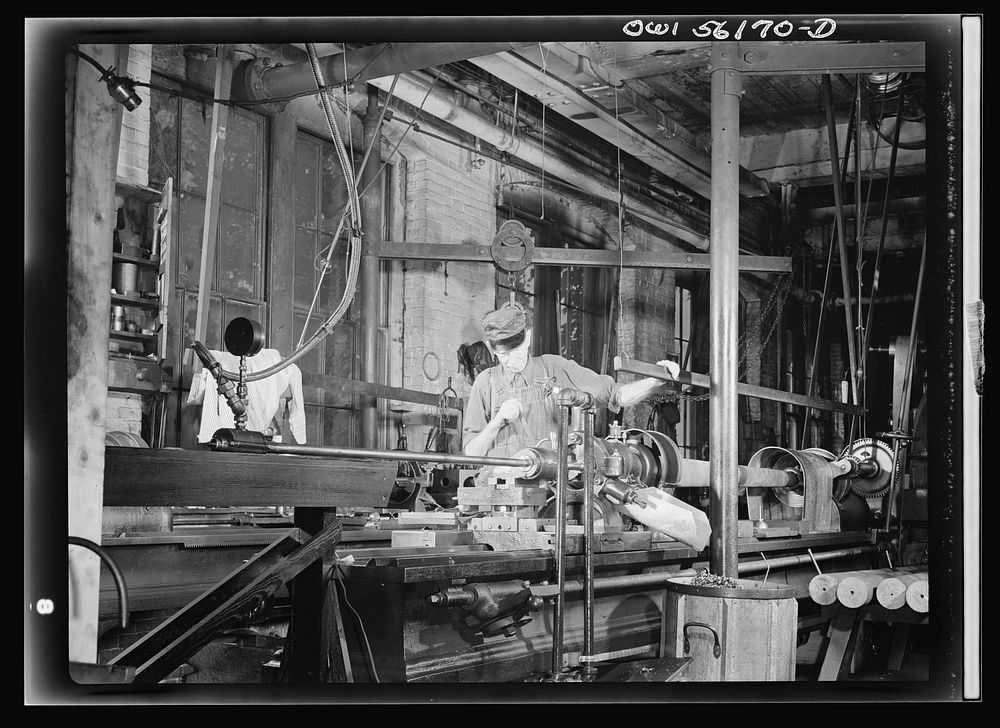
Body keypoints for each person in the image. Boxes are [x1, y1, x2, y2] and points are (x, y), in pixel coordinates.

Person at [462, 305, 680, 476]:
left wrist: (654, 381)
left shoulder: (553, 368)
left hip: (548, 493)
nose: (509, 361)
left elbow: (616, 395)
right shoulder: (485, 383)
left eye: (515, 352)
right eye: (503, 355)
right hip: (496, 497)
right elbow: (472, 455)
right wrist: (497, 421)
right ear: (493, 349)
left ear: (527, 337)